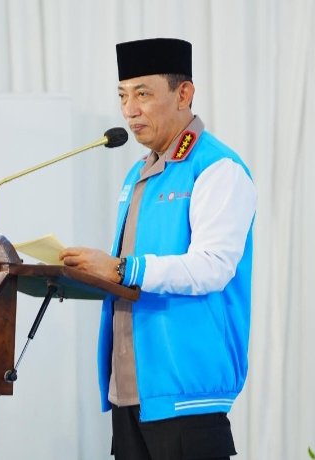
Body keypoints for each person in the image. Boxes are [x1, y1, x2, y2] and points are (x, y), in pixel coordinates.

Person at [59, 38, 256, 460]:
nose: (129, 110)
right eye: (122, 96)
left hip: (187, 393)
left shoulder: (217, 168)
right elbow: (129, 272)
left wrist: (120, 269)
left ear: (184, 94)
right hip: (130, 391)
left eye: (143, 94)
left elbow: (212, 267)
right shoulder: (138, 173)